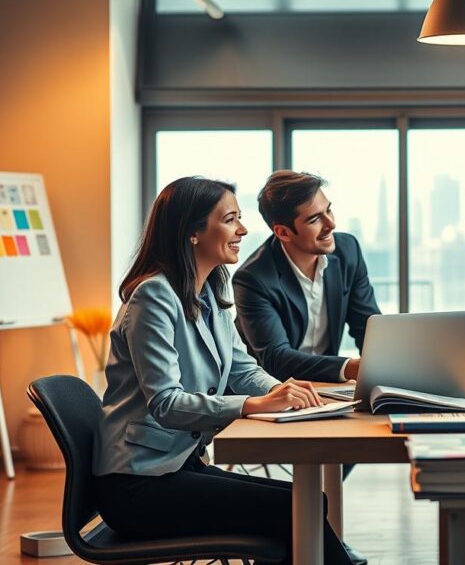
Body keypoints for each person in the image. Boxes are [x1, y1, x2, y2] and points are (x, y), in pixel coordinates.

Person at [91, 176, 353, 565]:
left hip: (178, 467)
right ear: (193, 232)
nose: (243, 230)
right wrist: (252, 405)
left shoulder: (208, 291)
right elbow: (166, 403)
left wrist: (285, 394)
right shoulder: (154, 297)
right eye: (230, 219)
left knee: (307, 503)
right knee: (294, 509)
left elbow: (244, 370)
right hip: (136, 486)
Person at [233, 170, 381, 384]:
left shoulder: (348, 250)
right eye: (314, 220)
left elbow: (368, 328)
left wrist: (389, 368)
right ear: (283, 232)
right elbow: (276, 358)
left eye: (328, 210)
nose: (330, 224)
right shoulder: (253, 279)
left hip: (330, 387)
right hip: (275, 392)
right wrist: (349, 368)